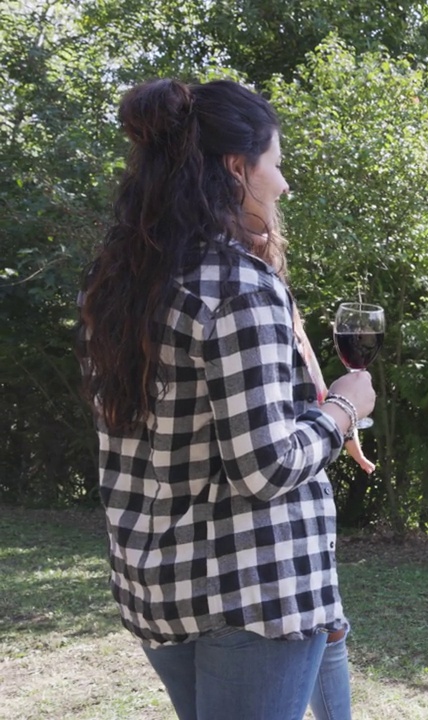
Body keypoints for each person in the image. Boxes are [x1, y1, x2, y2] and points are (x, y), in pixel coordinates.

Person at [76, 78, 376, 720]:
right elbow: (264, 468)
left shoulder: (116, 279)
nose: (284, 184)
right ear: (237, 168)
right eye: (278, 164)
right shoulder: (239, 286)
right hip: (251, 589)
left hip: (156, 582)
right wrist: (343, 408)